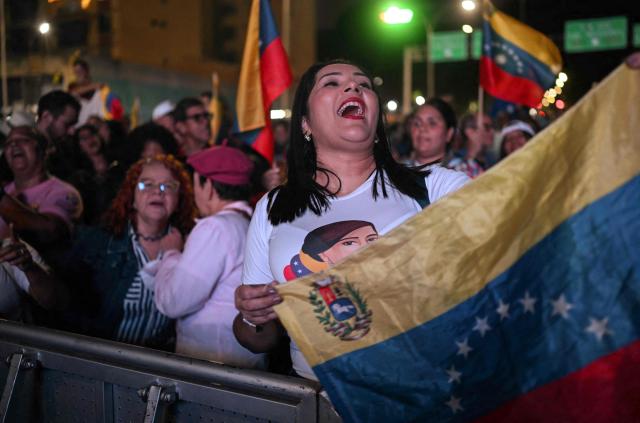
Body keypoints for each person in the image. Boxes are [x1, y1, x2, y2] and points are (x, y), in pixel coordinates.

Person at [234, 60, 469, 381]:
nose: (353, 87)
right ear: (305, 123)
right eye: (331, 83)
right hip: (314, 400)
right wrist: (252, 316)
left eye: (364, 84)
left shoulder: (433, 187)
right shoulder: (274, 206)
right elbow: (258, 340)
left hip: (411, 394)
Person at [56, 155, 196, 349]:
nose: (157, 191)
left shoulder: (192, 246)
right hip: (102, 362)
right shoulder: (98, 242)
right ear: (132, 198)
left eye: (168, 186)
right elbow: (66, 308)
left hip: (160, 369)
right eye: (147, 185)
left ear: (179, 199)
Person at [144, 146, 266, 368]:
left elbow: (174, 301)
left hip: (214, 366)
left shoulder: (215, 228)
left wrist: (171, 253)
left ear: (208, 186)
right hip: (241, 364)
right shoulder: (252, 224)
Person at [0, 126, 83, 251]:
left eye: (24, 140)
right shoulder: (5, 190)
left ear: (44, 150)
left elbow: (49, 233)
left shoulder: (64, 193)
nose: (14, 145)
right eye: (8, 143)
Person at [69, 124, 124, 224]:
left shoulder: (118, 165)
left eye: (92, 134)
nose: (90, 140)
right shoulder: (80, 177)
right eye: (84, 138)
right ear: (79, 146)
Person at [36, 90, 81, 180]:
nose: (72, 131)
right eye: (67, 124)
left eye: (74, 124)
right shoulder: (21, 153)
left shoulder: (67, 152)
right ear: (47, 117)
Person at [404, 98, 458, 168]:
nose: (422, 128)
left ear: (449, 133)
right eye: (417, 123)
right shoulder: (395, 171)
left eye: (432, 123)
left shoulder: (464, 173)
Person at [446, 113, 496, 178]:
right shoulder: (456, 166)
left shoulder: (493, 161)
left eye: (493, 127)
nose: (492, 131)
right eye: (486, 127)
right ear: (470, 132)